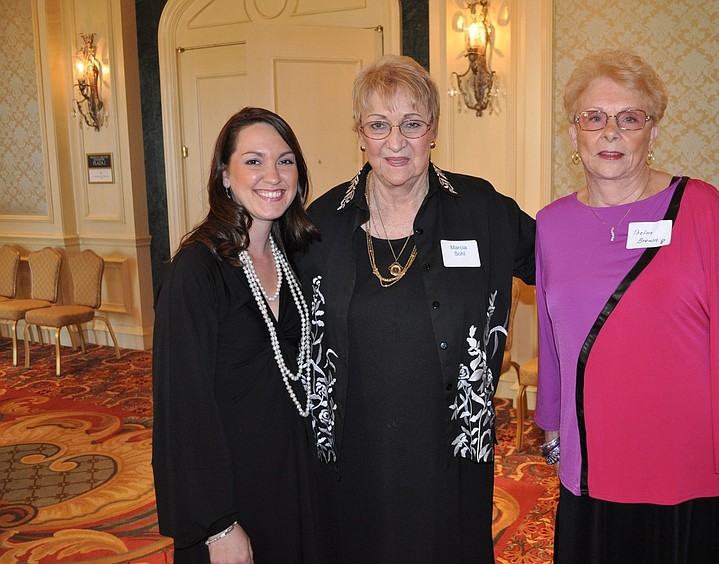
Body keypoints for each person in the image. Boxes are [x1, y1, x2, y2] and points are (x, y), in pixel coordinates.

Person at [535, 49, 719, 563]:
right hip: (595, 465)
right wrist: (556, 432)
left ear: (652, 132)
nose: (610, 132)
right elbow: (552, 336)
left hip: (689, 468)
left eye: (630, 118)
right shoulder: (552, 225)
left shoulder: (701, 209)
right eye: (594, 117)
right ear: (574, 132)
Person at [297, 54, 535, 563]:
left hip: (448, 445)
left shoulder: (482, 209)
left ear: (434, 131)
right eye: (379, 125)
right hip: (351, 444)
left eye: (411, 124)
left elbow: (561, 263)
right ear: (359, 133)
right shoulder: (321, 224)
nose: (396, 141)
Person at [152, 107, 320, 563]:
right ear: (224, 175)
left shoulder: (294, 257)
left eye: (286, 161)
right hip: (233, 499)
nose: (273, 175)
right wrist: (217, 526)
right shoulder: (196, 271)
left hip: (294, 484)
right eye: (253, 161)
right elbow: (183, 411)